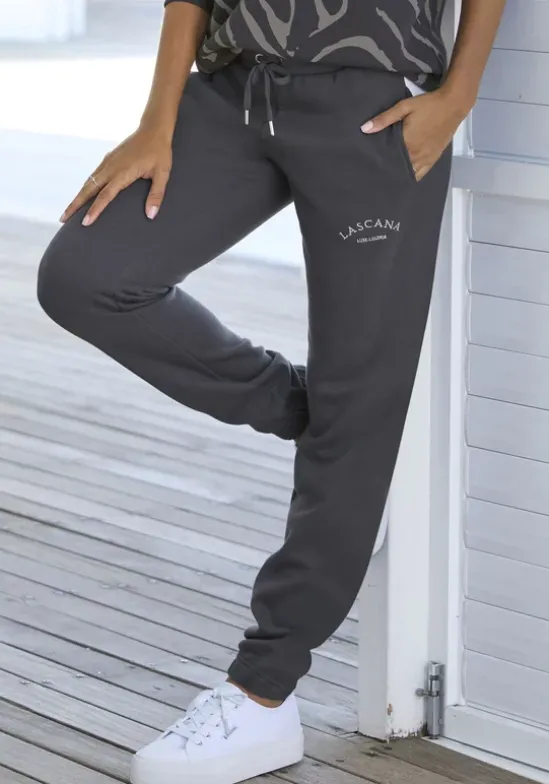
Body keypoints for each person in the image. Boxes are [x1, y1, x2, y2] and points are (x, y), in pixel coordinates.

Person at [37, 0, 506, 782]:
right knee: (85, 279)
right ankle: (319, 421)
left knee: (357, 394)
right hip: (232, 88)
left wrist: (457, 95)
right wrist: (157, 119)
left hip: (375, 103)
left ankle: (262, 693)